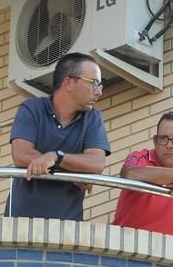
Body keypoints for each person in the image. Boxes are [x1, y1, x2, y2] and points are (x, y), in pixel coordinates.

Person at [6, 52, 111, 220]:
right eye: (94, 83)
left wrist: (56, 157)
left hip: (67, 228)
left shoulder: (92, 118)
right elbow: (21, 155)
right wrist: (72, 170)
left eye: (100, 85)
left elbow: (96, 163)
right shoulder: (32, 108)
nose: (99, 92)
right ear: (68, 83)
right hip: (20, 224)